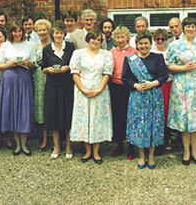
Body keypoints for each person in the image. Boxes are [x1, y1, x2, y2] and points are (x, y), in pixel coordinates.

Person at [166, 17, 196, 166]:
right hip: (183, 86)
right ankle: (186, 152)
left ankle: (195, 152)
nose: (190, 29)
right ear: (183, 27)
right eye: (188, 26)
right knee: (185, 119)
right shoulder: (175, 45)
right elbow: (168, 66)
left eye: (193, 26)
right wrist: (184, 68)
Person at [122, 30, 169, 169]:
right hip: (138, 96)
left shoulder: (158, 57)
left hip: (154, 95)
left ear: (151, 44)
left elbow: (164, 75)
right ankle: (141, 156)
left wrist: (152, 84)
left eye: (146, 43)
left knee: (153, 125)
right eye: (141, 43)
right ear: (136, 44)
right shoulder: (130, 59)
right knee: (140, 126)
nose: (143, 46)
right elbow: (125, 77)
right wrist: (136, 85)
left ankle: (151, 156)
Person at [69, 29, 113, 164]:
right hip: (82, 91)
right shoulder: (78, 53)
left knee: (97, 121)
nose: (96, 41)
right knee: (84, 120)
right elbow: (75, 72)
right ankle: (87, 151)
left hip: (100, 91)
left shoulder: (106, 54)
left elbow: (107, 72)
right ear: (88, 39)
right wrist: (82, 89)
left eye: (99, 39)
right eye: (93, 39)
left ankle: (96, 152)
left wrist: (100, 89)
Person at [0, 21, 36, 156]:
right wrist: (9, 64)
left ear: (23, 32)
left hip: (23, 77)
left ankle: (24, 144)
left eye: (19, 31)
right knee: (12, 109)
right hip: (10, 78)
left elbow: (33, 66)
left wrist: (27, 63)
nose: (17, 34)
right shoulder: (5, 45)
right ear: (11, 33)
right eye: (14, 31)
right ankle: (17, 144)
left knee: (23, 110)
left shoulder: (29, 45)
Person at [41, 21, 76, 159]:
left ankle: (68, 145)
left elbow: (75, 65)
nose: (59, 35)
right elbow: (43, 67)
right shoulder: (47, 49)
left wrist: (68, 67)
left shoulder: (71, 47)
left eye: (61, 33)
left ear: (64, 34)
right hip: (52, 86)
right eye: (56, 33)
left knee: (67, 117)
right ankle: (56, 146)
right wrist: (48, 70)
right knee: (53, 117)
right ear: (52, 34)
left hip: (67, 85)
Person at [109, 26, 138, 159]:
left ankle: (131, 147)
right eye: (117, 37)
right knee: (118, 116)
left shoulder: (134, 51)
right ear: (114, 39)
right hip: (115, 87)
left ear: (127, 38)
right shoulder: (111, 52)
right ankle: (119, 145)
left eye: (122, 37)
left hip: (130, 87)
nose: (120, 40)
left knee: (130, 116)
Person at [151, 28, 173, 151]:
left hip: (168, 83)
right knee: (158, 112)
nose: (160, 41)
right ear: (154, 40)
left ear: (166, 40)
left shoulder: (169, 52)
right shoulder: (152, 52)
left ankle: (167, 138)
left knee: (167, 111)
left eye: (162, 39)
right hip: (156, 85)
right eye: (157, 39)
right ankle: (157, 140)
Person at [33, 19, 52, 152]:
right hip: (39, 78)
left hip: (53, 77)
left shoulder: (54, 44)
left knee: (52, 105)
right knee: (41, 107)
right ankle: (44, 137)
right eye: (39, 30)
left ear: (48, 30)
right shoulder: (34, 46)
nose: (42, 32)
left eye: (44, 30)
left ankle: (57, 137)